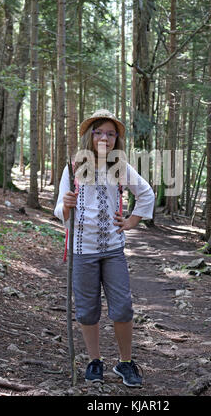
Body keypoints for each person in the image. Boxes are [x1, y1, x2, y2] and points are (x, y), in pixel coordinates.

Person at [54, 109, 155, 388]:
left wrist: (132, 220)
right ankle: (94, 360)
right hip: (81, 250)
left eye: (111, 134)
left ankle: (124, 362)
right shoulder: (73, 167)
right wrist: (66, 205)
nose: (104, 138)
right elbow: (58, 209)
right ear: (89, 135)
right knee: (87, 310)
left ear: (116, 140)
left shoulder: (119, 167)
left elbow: (146, 193)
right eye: (99, 132)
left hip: (113, 249)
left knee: (122, 307)